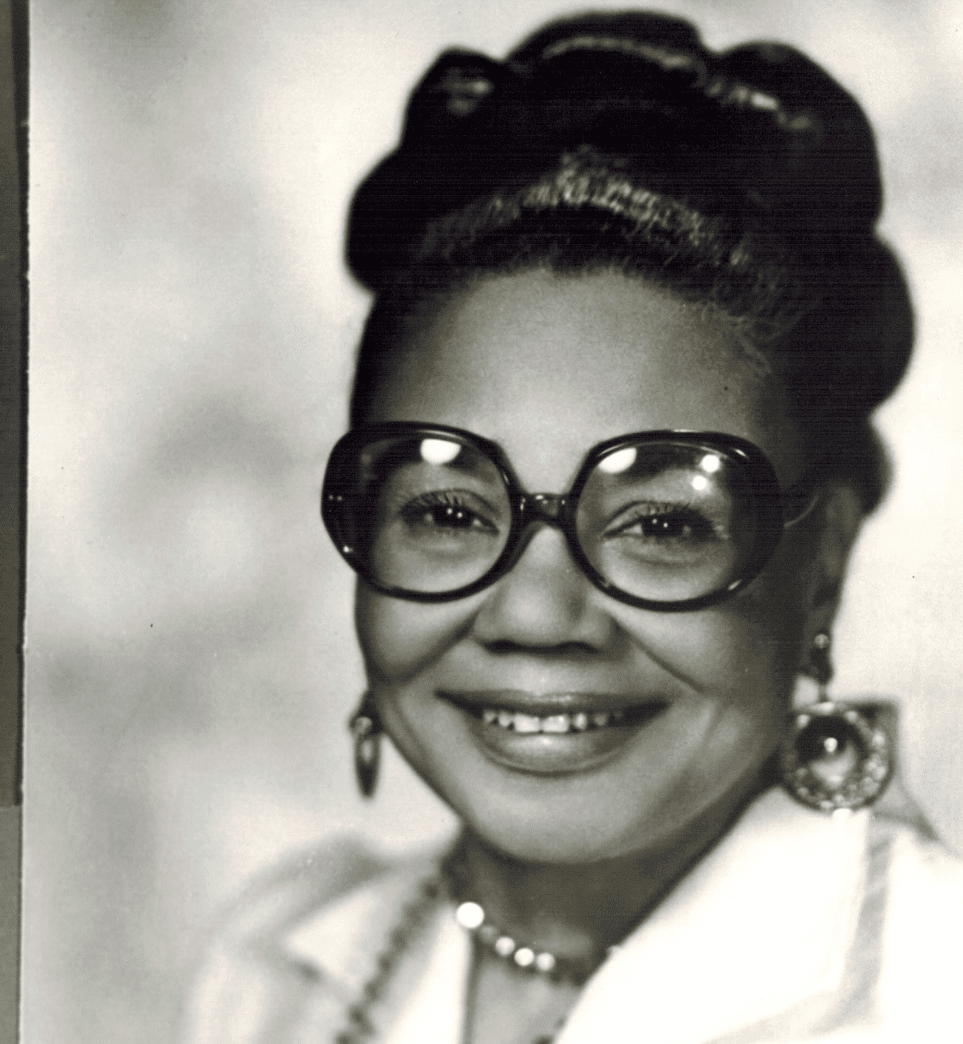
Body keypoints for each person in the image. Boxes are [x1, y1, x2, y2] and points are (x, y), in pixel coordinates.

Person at [183, 12, 963, 1044]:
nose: (539, 614)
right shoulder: (274, 965)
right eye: (451, 510)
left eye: (662, 524)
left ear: (822, 567)